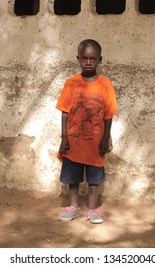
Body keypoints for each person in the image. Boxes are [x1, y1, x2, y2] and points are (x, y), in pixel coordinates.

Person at [56, 39, 116, 223]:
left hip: (95, 142)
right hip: (74, 141)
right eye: (84, 58)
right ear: (78, 59)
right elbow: (65, 112)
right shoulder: (71, 83)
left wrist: (106, 138)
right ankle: (73, 206)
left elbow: (108, 115)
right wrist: (64, 137)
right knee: (73, 176)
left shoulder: (106, 85)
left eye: (93, 58)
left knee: (95, 178)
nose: (88, 62)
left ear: (100, 60)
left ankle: (92, 210)